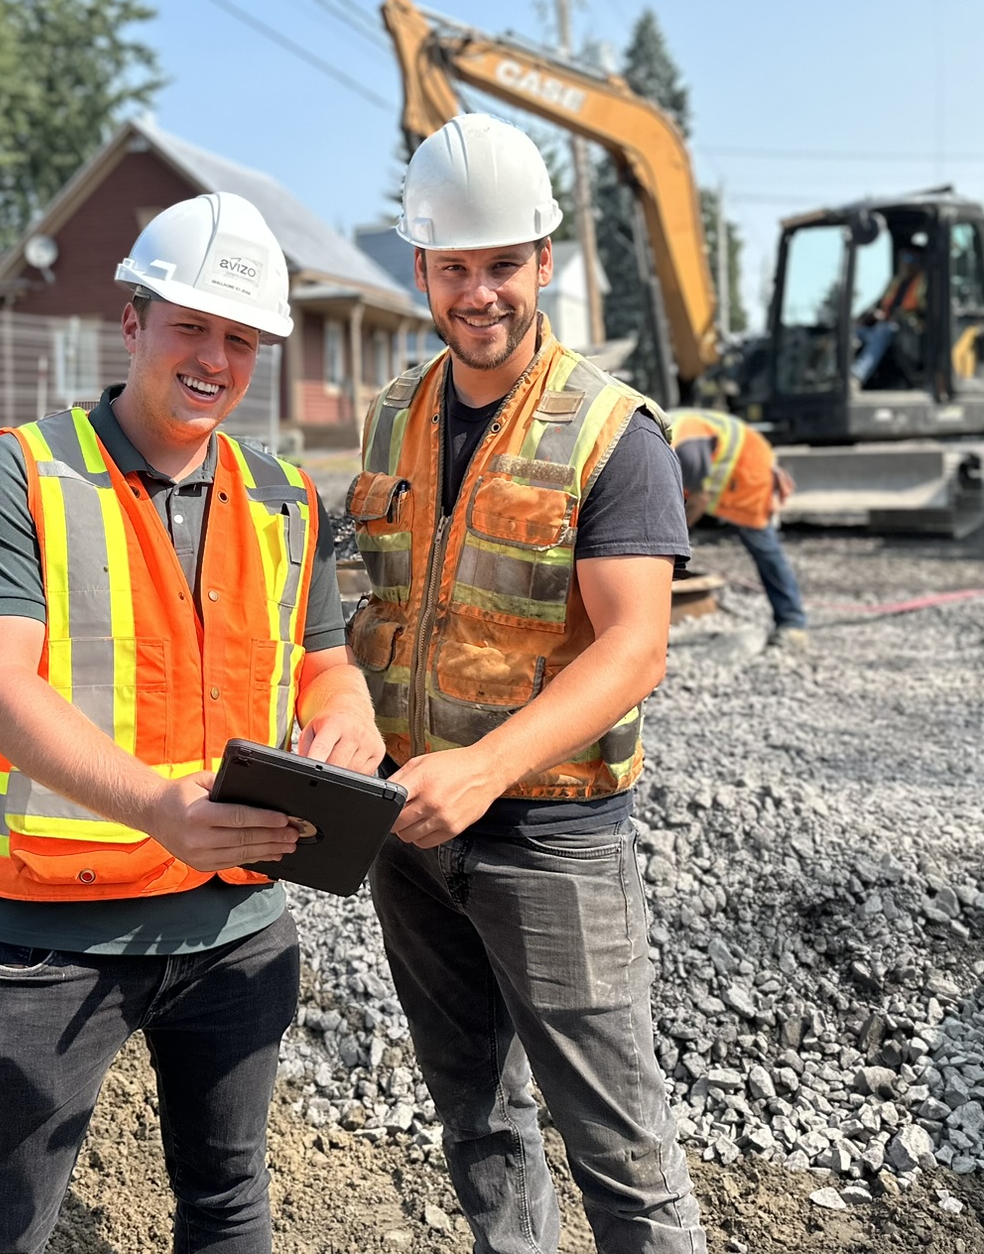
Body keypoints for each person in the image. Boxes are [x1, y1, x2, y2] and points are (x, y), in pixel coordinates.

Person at [0, 191, 383, 1254]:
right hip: (54, 933)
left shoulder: (282, 494)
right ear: (131, 322)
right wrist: (153, 807)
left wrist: (350, 717)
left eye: (240, 339)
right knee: (1, 1226)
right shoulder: (22, 475)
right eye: (190, 326)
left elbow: (324, 660)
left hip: (233, 925)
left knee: (228, 1203)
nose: (215, 360)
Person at [348, 113, 709, 1254]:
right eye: (453, 268)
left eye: (500, 264)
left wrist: (485, 767)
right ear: (420, 271)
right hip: (410, 825)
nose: (478, 292)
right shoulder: (391, 415)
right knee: (476, 1118)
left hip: (550, 834)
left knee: (619, 1142)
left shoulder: (613, 434)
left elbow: (632, 647)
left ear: (543, 262)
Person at [668, 409, 808, 647]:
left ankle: (792, 622)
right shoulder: (662, 441)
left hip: (748, 472)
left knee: (763, 546)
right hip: (720, 473)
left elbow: (698, 500)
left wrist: (674, 545)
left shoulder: (683, 449)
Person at [850, 245, 927, 387]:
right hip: (885, 325)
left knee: (883, 331)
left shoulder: (925, 282)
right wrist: (863, 319)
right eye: (906, 259)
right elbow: (879, 304)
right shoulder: (897, 282)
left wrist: (897, 317)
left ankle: (857, 375)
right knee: (854, 332)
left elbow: (924, 309)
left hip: (909, 330)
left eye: (912, 259)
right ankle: (833, 376)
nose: (907, 263)